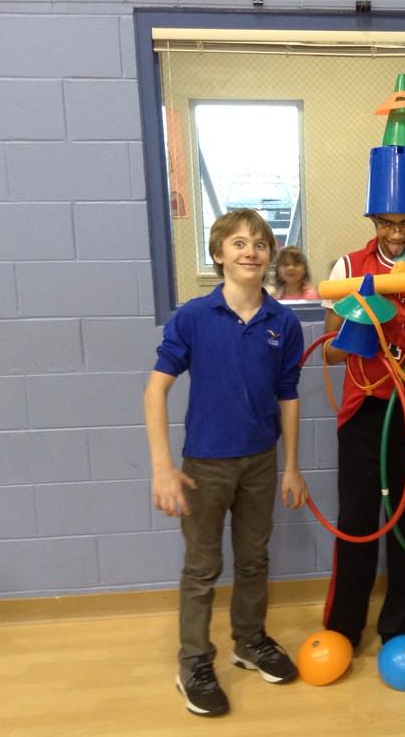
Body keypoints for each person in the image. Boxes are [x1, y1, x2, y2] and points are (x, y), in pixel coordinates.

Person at [144, 208, 309, 717]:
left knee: (254, 559)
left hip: (260, 463)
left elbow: (288, 396)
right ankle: (194, 663)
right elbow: (155, 392)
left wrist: (291, 466)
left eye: (259, 244)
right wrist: (163, 468)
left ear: (269, 255)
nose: (250, 252)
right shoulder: (193, 317)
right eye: (238, 243)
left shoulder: (283, 323)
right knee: (202, 568)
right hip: (205, 467)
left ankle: (250, 640)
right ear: (219, 254)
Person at [321, 211, 405, 649]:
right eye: (385, 223)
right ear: (372, 220)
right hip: (363, 409)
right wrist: (365, 322)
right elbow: (329, 353)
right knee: (357, 520)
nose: (396, 233)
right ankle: (344, 628)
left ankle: (398, 626)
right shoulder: (349, 266)